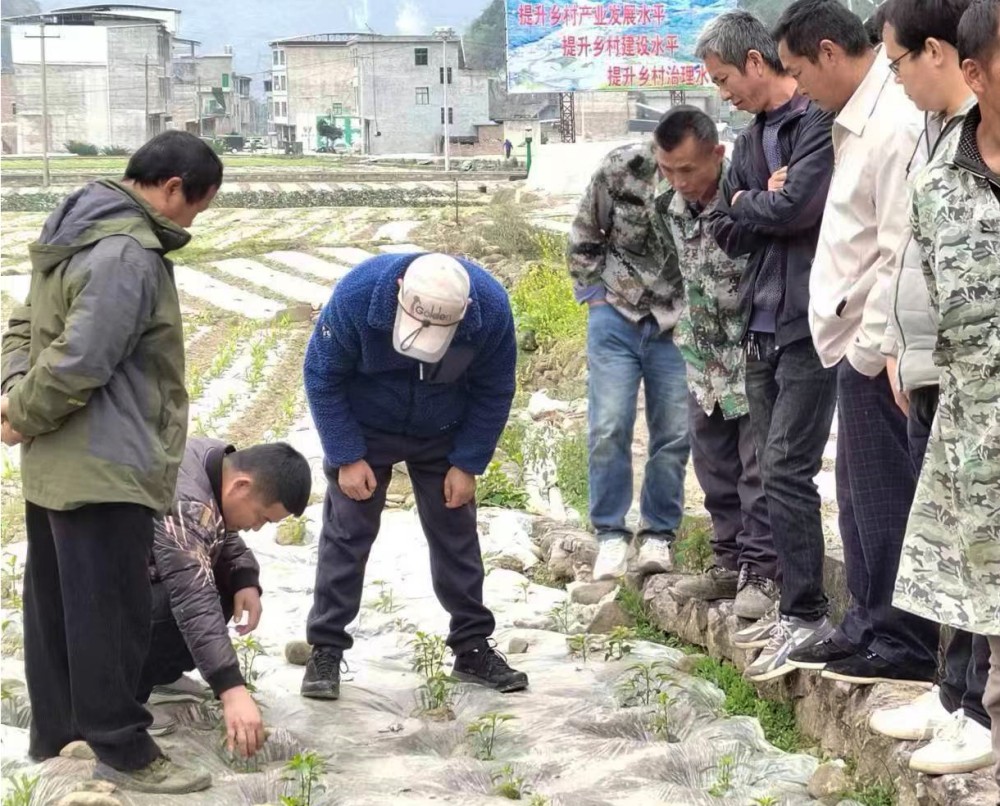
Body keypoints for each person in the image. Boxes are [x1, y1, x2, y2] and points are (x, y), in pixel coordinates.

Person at [0, 131, 222, 794]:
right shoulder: (128, 251)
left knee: (60, 606)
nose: (190, 222)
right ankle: (123, 748)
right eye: (196, 207)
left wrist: (13, 400)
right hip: (107, 462)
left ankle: (61, 733)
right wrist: (23, 412)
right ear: (174, 187)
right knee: (110, 609)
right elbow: (82, 358)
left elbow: (21, 327)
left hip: (58, 465)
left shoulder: (73, 228)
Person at [775, 0, 940, 686]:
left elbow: (901, 247)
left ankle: (902, 641)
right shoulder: (853, 119)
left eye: (797, 71)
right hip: (854, 341)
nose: (799, 88)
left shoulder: (895, 123)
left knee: (884, 499)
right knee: (859, 497)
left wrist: (874, 348)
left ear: (827, 52)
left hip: (876, 344)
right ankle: (866, 625)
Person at [300, 252, 528, 700]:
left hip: (443, 428)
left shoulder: (491, 312)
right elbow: (322, 375)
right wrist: (346, 454)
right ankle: (325, 648)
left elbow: (495, 388)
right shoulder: (358, 295)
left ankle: (472, 647)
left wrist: (468, 463)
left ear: (463, 314)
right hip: (366, 428)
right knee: (347, 533)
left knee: (456, 534)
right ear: (400, 289)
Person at [865, 0, 991, 777]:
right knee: (948, 544)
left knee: (982, 548)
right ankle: (952, 694)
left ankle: (978, 706)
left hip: (974, 382)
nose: (898, 78)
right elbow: (917, 262)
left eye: (898, 61)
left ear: (939, 53)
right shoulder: (942, 147)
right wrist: (901, 352)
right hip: (938, 375)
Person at [697, 10, 839, 681]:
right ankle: (790, 605)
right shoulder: (750, 139)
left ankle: (807, 609)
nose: (723, 91)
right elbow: (724, 229)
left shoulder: (818, 125)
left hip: (811, 324)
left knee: (786, 467)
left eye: (725, 78)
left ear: (758, 62)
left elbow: (797, 210)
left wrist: (757, 204)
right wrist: (759, 198)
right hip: (759, 323)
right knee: (768, 470)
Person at [652, 106, 778, 622]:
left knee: (759, 466)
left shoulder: (748, 195)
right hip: (703, 357)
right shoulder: (668, 209)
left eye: (688, 169)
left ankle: (764, 571)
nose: (679, 181)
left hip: (750, 349)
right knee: (714, 465)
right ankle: (728, 558)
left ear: (717, 155)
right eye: (667, 170)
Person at [567, 131, 691, 581]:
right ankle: (610, 535)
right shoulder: (620, 167)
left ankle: (658, 533)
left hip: (676, 322)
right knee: (608, 425)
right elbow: (585, 232)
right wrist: (594, 295)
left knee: (674, 433)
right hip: (616, 314)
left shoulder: (715, 174)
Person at [140, 438, 311, 761]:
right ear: (242, 485)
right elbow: (192, 595)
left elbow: (216, 528)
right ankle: (128, 701)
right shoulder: (186, 499)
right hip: (103, 603)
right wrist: (230, 688)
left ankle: (160, 677)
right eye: (262, 517)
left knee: (224, 587)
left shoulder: (216, 464)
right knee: (195, 599)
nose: (257, 528)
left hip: (141, 575)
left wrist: (243, 577)